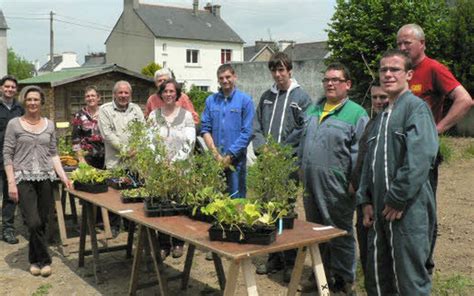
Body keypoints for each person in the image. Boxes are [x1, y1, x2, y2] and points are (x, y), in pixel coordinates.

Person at [357, 49, 438, 296]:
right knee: (379, 277)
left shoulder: (416, 109)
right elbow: (367, 163)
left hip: (407, 209)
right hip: (379, 210)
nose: (388, 74)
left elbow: (420, 158)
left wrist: (398, 196)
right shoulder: (380, 118)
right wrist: (365, 199)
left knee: (410, 279)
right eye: (384, 70)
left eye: (395, 69)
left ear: (409, 75)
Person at [397, 23, 473, 274]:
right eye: (399, 43)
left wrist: (437, 129)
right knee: (399, 202)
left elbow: (465, 100)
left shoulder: (433, 69)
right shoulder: (401, 71)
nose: (402, 47)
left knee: (423, 207)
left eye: (407, 42)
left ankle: (424, 264)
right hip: (399, 150)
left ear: (422, 44)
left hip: (422, 153)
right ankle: (404, 259)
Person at [298, 63, 368, 294]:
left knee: (339, 232)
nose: (329, 83)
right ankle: (321, 275)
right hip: (310, 183)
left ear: (347, 85)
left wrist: (354, 182)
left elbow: (361, 153)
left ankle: (344, 279)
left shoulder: (356, 113)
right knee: (316, 231)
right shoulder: (312, 110)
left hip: (337, 186)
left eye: (336, 80)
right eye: (326, 79)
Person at [252, 52, 311, 281]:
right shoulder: (267, 97)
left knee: (285, 211)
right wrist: (262, 148)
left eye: (282, 70)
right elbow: (256, 126)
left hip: (287, 164)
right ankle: (273, 257)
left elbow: (303, 128)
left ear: (290, 71)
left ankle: (290, 261)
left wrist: (282, 149)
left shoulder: (301, 97)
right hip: (267, 163)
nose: (278, 75)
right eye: (274, 71)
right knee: (267, 210)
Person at [3, 85, 72, 277]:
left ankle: (35, 259)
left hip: (46, 177)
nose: (33, 103)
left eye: (36, 99)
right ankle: (45, 259)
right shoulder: (14, 124)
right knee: (32, 222)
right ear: (24, 101)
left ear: (41, 102)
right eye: (29, 99)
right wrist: (11, 182)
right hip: (23, 178)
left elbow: (53, 154)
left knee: (44, 220)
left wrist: (64, 177)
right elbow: (7, 154)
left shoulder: (49, 125)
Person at [148, 79, 195, 260]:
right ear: (160, 94)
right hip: (159, 168)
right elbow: (149, 140)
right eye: (165, 91)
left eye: (172, 91)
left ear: (177, 94)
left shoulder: (186, 116)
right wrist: (161, 160)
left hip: (181, 169)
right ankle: (163, 244)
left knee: (178, 205)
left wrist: (174, 162)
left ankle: (178, 242)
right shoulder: (153, 115)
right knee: (161, 206)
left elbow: (189, 142)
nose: (168, 94)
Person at [351, 83, 389, 276]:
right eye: (374, 97)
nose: (378, 101)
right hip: (363, 196)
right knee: (365, 243)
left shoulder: (393, 123)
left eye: (383, 97)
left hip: (380, 197)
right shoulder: (371, 123)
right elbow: (362, 159)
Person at [201, 64, 254, 199]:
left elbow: (247, 132)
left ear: (234, 77)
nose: (225, 80)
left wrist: (229, 156)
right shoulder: (211, 101)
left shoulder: (245, 100)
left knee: (236, 202)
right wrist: (216, 155)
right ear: (218, 80)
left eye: (228, 77)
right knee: (216, 201)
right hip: (216, 160)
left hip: (236, 161)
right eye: (221, 78)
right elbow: (205, 129)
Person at [99, 80, 145, 236]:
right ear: (114, 94)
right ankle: (114, 226)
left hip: (135, 161)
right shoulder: (105, 110)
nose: (123, 96)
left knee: (133, 192)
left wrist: (137, 148)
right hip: (115, 161)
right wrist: (126, 150)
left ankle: (132, 224)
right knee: (114, 195)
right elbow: (108, 134)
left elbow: (142, 130)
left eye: (126, 93)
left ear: (130, 95)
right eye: (120, 92)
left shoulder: (136, 109)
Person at [0, 75, 24, 244]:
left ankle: (7, 229)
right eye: (6, 86)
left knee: (10, 195)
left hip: (12, 159)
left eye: (12, 87)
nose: (9, 89)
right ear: (1, 88)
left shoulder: (20, 109)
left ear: (16, 90)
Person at [71, 86, 105, 169]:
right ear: (85, 99)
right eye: (88, 96)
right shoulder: (79, 115)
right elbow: (75, 139)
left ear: (98, 97)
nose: (90, 98)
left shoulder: (105, 113)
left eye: (93, 95)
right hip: (87, 157)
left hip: (106, 157)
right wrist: (81, 159)